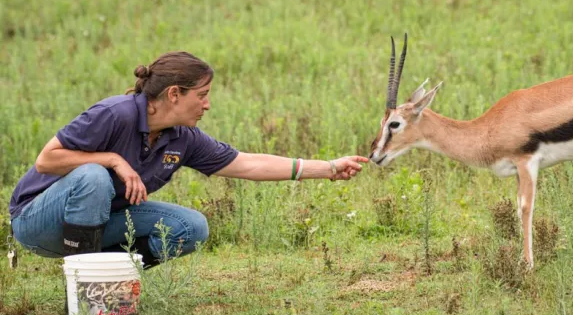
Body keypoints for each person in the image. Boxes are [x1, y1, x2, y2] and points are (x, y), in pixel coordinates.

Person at [8, 51, 368, 268]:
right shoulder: (115, 114)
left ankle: (112, 282)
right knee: (94, 175)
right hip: (38, 220)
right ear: (174, 94)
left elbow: (247, 164)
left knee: (191, 228)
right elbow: (46, 160)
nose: (208, 104)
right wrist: (114, 160)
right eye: (203, 95)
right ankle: (85, 292)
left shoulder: (183, 138)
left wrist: (330, 168)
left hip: (100, 223)